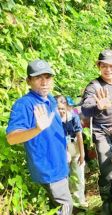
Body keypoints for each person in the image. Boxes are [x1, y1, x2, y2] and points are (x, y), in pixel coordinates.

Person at [6, 60, 73, 215]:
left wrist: (64, 151)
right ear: (29, 80)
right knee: (66, 207)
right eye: (38, 78)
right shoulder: (24, 104)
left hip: (60, 163)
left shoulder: (50, 100)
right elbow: (11, 138)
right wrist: (37, 129)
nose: (44, 82)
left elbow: (55, 130)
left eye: (48, 77)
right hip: (48, 169)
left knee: (57, 208)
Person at [81, 49, 112, 214]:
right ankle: (107, 202)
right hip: (102, 133)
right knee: (106, 169)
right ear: (99, 66)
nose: (108, 70)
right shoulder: (94, 86)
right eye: (104, 66)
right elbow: (85, 109)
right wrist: (98, 106)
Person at [56, 95, 88, 209]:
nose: (60, 111)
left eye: (62, 108)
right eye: (58, 109)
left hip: (75, 146)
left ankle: (80, 202)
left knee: (79, 175)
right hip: (61, 149)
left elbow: (79, 135)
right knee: (65, 176)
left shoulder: (73, 117)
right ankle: (68, 204)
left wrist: (82, 154)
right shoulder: (54, 120)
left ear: (66, 107)